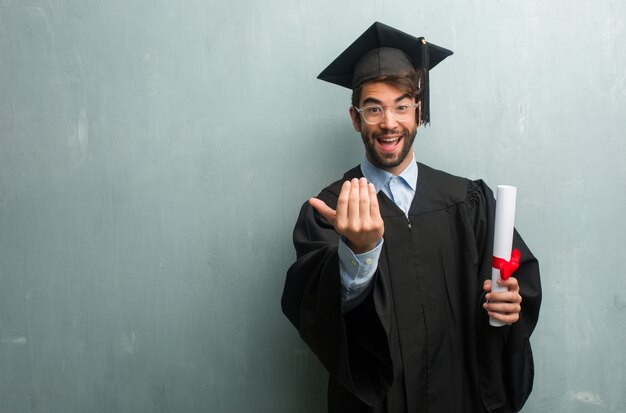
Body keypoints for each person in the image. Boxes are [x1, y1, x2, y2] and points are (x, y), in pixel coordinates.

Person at [281, 22, 541, 413]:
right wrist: (359, 254)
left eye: (402, 105)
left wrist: (510, 308)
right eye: (374, 108)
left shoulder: (469, 202)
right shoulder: (331, 212)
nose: (390, 122)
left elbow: (515, 284)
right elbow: (317, 317)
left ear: (419, 113)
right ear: (355, 118)